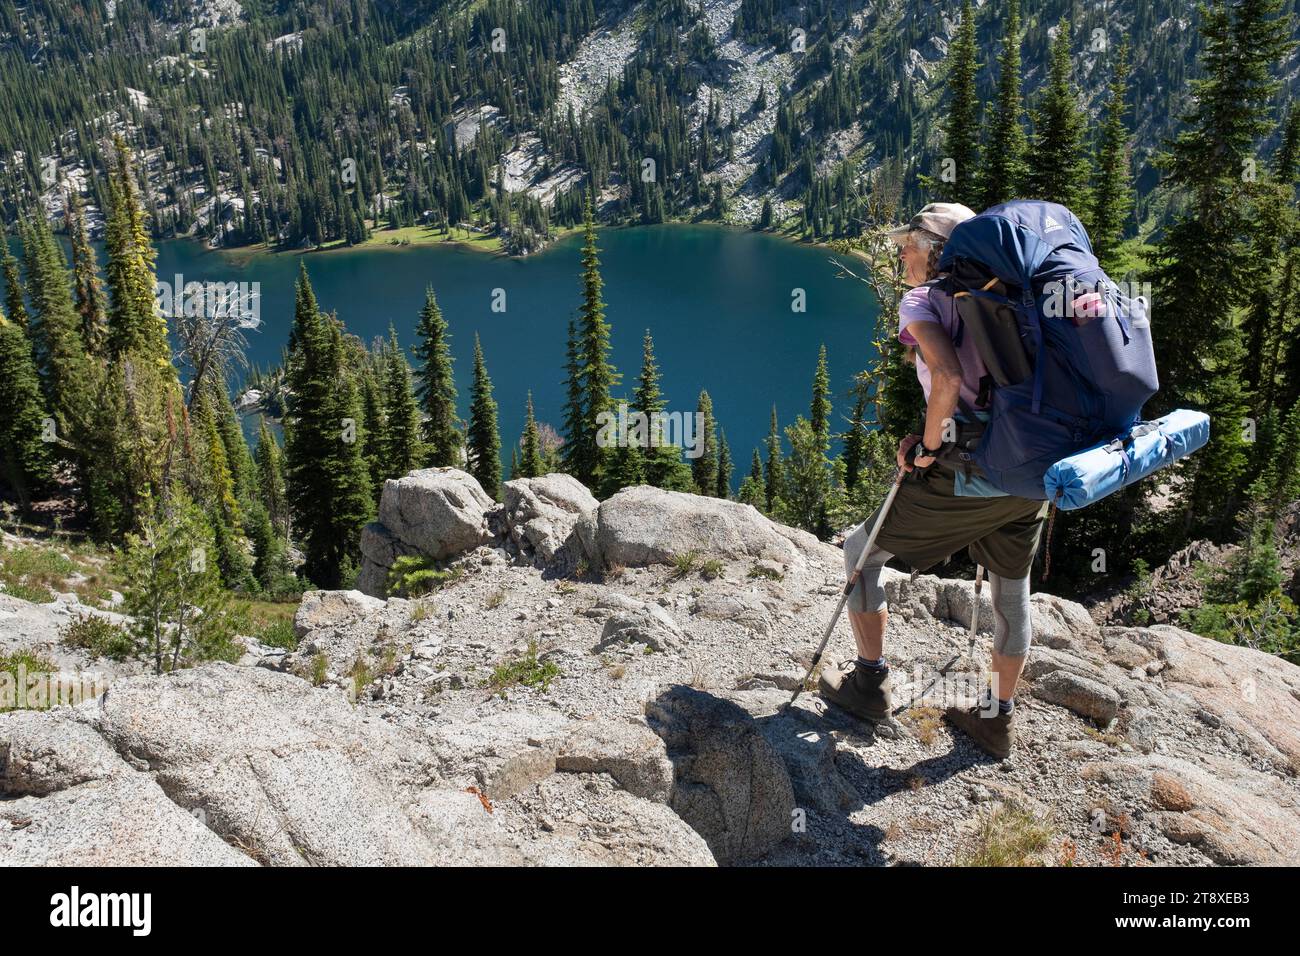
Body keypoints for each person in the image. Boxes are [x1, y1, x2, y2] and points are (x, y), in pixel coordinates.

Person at [817, 202, 1050, 759]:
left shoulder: (925, 300)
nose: (901, 253)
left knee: (860, 552)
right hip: (1034, 470)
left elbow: (947, 374)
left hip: (970, 469)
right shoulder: (1020, 296)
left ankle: (869, 686)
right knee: (1010, 591)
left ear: (939, 251)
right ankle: (997, 719)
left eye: (910, 244)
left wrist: (927, 446)